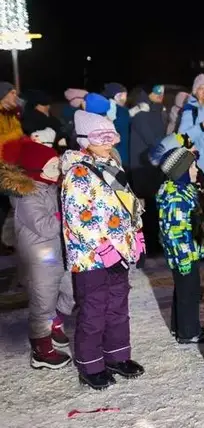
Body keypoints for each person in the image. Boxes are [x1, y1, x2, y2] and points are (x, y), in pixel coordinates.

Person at [61, 110, 145, 390]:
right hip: (92, 258)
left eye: (112, 135)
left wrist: (137, 232)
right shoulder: (79, 173)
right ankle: (90, 364)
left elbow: (127, 204)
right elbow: (78, 218)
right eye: (101, 136)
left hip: (119, 252)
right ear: (85, 139)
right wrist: (104, 248)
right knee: (94, 310)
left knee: (118, 307)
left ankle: (117, 356)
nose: (109, 141)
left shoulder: (112, 166)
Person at [1, 138, 74, 369]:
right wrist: (68, 213)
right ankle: (42, 350)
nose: (58, 170)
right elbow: (45, 227)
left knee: (71, 289)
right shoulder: (27, 197)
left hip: (53, 251)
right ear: (36, 170)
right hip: (40, 256)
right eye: (52, 166)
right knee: (43, 300)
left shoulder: (50, 187)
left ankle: (55, 321)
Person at [155, 136, 204, 344]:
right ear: (182, 171)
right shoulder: (176, 198)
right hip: (184, 255)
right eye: (193, 167)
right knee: (189, 292)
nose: (196, 170)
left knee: (184, 290)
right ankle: (189, 332)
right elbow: (176, 233)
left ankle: (179, 326)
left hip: (187, 252)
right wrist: (185, 259)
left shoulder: (182, 191)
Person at [129, 85, 167, 256]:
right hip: (142, 167)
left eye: (162, 91)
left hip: (153, 166)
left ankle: (153, 244)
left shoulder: (157, 111)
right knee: (148, 208)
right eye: (156, 91)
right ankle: (148, 246)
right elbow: (152, 139)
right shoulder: (141, 114)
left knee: (153, 207)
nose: (161, 95)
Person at [0, 82, 23, 256]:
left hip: (10, 166)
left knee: (6, 207)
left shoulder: (11, 114)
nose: (15, 96)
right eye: (12, 93)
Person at [102, 82, 131, 167]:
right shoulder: (123, 112)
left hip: (109, 154)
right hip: (121, 154)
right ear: (117, 96)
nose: (125, 98)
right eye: (124, 95)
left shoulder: (104, 109)